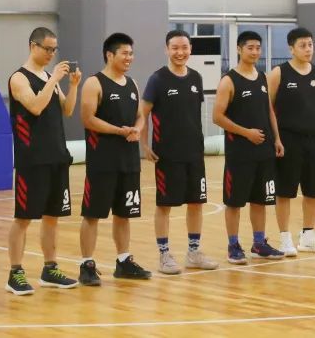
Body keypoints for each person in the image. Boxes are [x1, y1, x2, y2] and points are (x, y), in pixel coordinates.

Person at [6, 27, 81, 294]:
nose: (51, 54)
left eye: (54, 49)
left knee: (52, 217)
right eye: (47, 48)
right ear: (32, 46)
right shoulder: (19, 78)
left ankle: (50, 268)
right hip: (32, 159)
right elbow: (36, 106)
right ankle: (15, 273)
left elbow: (67, 110)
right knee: (23, 218)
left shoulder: (50, 77)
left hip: (56, 156)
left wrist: (73, 85)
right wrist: (54, 80)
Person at [141, 30, 219, 275]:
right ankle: (164, 255)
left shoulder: (196, 78)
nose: (180, 52)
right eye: (175, 48)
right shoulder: (157, 79)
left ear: (190, 49)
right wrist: (144, 145)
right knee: (165, 205)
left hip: (194, 153)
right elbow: (142, 114)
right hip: (167, 154)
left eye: (184, 47)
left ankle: (193, 253)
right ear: (167, 49)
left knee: (196, 203)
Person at [77, 33, 151, 285]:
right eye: (124, 53)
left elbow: (140, 115)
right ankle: (87, 264)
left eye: (131, 53)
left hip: (129, 161)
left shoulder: (132, 84)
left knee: (124, 213)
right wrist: (119, 131)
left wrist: (137, 129)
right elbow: (88, 119)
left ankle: (124, 261)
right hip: (102, 161)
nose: (129, 58)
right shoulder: (94, 83)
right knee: (93, 214)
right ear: (110, 55)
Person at [213, 31, 285, 263]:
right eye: (250, 48)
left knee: (261, 200)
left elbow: (269, 111)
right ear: (239, 49)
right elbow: (217, 117)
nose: (255, 52)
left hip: (264, 151)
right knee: (234, 202)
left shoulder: (263, 77)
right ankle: (233, 246)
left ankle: (259, 243)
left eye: (257, 48)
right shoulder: (229, 80)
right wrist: (246, 133)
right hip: (240, 153)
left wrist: (277, 139)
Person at [269, 27, 315, 256]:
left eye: (310, 45)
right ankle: (285, 238)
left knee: (314, 190)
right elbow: (268, 108)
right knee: (285, 191)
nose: (308, 49)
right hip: (288, 140)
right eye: (303, 45)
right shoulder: (279, 73)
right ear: (291, 48)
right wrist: (277, 137)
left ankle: (308, 235)